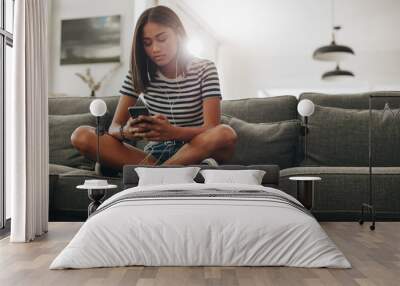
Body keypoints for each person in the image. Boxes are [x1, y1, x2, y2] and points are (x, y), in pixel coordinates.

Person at [71, 5, 237, 173]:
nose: (155, 49)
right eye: (147, 43)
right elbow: (114, 127)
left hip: (195, 151)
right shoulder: (139, 73)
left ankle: (159, 173)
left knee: (225, 133)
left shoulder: (205, 69)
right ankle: (166, 172)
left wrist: (172, 132)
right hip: (154, 156)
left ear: (178, 33)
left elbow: (211, 128)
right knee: (81, 136)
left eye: (162, 39)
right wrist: (127, 131)